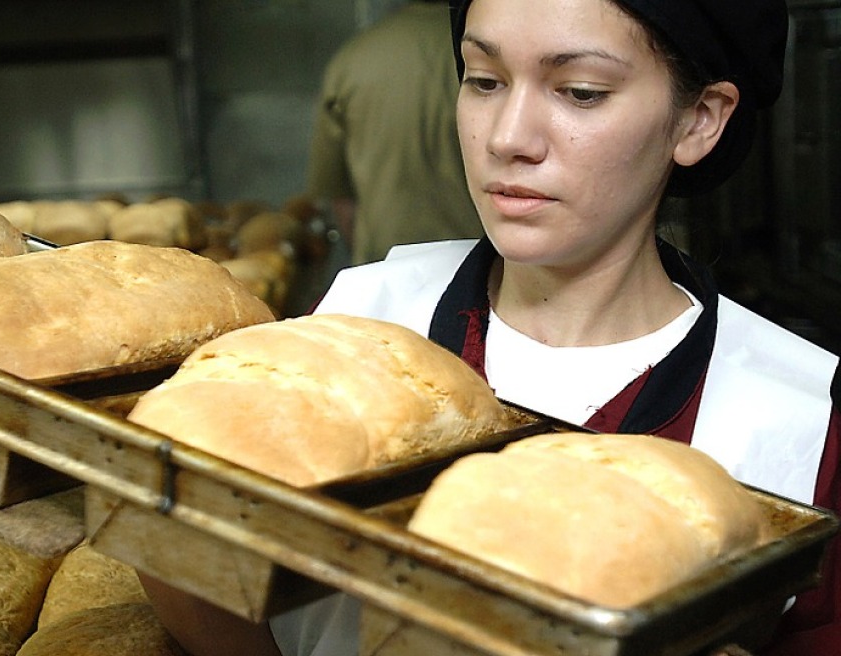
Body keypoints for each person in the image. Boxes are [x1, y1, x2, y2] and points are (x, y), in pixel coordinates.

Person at [141, 0, 841, 654]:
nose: (508, 138)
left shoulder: (791, 426)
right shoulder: (355, 323)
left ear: (699, 121)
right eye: (483, 80)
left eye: (580, 92)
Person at [306, 0, 483, 265]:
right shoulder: (483, 56)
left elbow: (337, 191)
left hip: (383, 266)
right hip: (479, 269)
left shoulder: (352, 60)